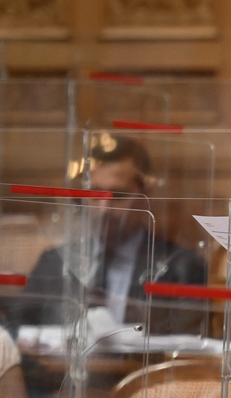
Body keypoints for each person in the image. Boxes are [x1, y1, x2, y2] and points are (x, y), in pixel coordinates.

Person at [14, 136, 208, 337]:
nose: (104, 209)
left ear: (145, 196)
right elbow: (15, 331)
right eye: (94, 194)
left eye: (118, 195)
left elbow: (186, 346)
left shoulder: (181, 267)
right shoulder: (54, 262)